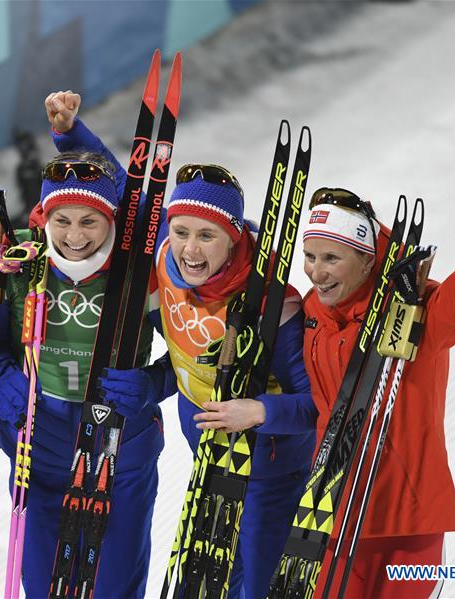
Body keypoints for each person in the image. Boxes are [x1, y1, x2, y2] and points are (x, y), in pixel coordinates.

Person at [45, 91, 317, 598]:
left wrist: (258, 412)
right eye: (182, 231)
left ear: (234, 239)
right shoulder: (163, 262)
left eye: (208, 236)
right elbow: (132, 198)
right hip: (207, 453)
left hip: (268, 468)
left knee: (253, 583)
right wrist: (69, 135)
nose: (191, 249)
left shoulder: (271, 302)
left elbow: (316, 408)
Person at [0, 93, 176, 598]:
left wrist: (150, 385)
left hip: (119, 447)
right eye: (62, 220)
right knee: (42, 583)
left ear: (111, 221)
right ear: (44, 218)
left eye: (90, 221)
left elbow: (188, 361)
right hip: (40, 446)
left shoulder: (140, 273)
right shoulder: (20, 264)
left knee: (114, 585)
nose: (75, 236)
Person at [301, 165, 455, 598]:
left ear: (367, 258)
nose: (317, 272)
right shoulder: (310, 314)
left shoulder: (412, 311)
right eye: (310, 257)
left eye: (332, 258)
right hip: (330, 512)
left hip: (408, 520)